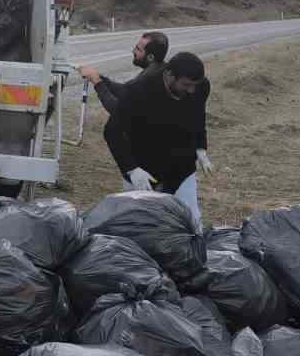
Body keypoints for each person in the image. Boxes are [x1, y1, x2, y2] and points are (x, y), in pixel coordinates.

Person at [99, 50, 213, 227]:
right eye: (186, 85)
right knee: (138, 223)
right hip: (143, 167)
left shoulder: (200, 87)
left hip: (180, 166)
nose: (191, 90)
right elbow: (112, 131)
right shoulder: (139, 90)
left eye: (194, 85)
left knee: (191, 220)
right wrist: (132, 169)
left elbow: (197, 116)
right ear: (169, 75)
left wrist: (200, 148)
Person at [78, 30, 167, 182]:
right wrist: (99, 77)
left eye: (138, 49)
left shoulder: (149, 81)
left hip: (153, 162)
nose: (133, 51)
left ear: (150, 57)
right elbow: (125, 91)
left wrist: (98, 83)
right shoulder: (158, 71)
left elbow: (117, 108)